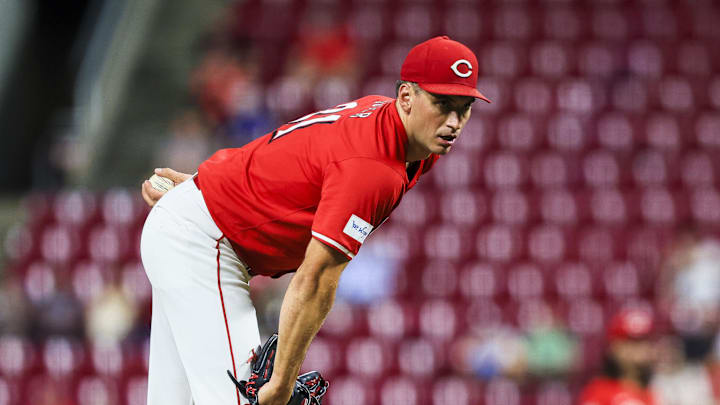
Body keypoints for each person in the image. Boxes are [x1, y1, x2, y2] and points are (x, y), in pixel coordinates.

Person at [139, 36, 490, 405]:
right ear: (405, 97)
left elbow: (291, 152)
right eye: (442, 104)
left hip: (195, 226)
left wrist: (206, 188)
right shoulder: (372, 167)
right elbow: (316, 278)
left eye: (464, 108)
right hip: (201, 242)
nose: (454, 121)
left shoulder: (390, 122)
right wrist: (281, 384)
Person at [578, 307, 658, 405]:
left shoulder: (655, 391)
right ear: (615, 347)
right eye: (631, 342)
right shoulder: (598, 392)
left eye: (644, 341)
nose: (640, 349)